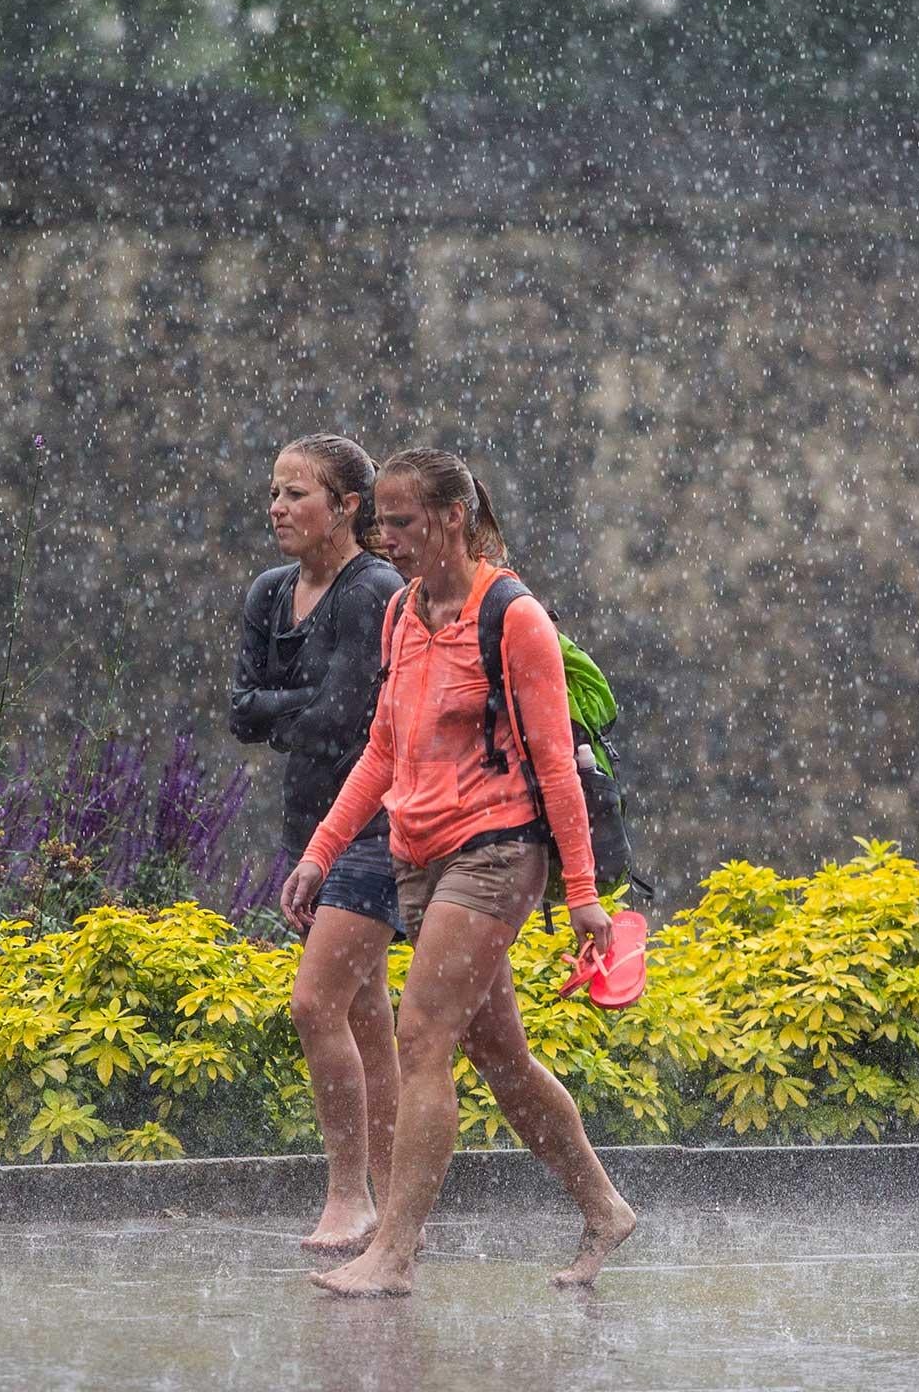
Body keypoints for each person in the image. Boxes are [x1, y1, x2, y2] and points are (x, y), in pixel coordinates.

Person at [282, 447, 636, 1297]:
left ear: (451, 517)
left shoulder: (513, 617)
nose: (388, 539)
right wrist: (322, 853)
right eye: (382, 526)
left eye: (401, 523)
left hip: (499, 853)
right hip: (419, 857)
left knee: (422, 1038)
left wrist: (582, 897)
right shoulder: (403, 613)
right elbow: (382, 752)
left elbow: (555, 767)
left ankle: (393, 1255)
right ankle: (605, 1207)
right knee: (502, 1060)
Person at [231, 434, 406, 1255]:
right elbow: (240, 712)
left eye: (297, 494)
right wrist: (294, 707)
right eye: (274, 492)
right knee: (366, 1012)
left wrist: (284, 708)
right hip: (309, 827)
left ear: (346, 507)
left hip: (374, 827)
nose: (277, 508)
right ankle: (395, 1196)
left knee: (316, 1003)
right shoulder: (270, 594)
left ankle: (349, 1197)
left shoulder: (373, 590)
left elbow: (348, 716)